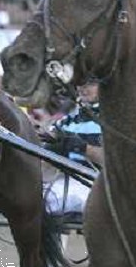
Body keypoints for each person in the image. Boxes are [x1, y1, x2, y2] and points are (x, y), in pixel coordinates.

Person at [43, 81, 102, 218]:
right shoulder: (64, 122)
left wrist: (82, 148)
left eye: (90, 84)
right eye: (80, 84)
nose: (83, 89)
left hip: (98, 185)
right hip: (65, 181)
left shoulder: (113, 121)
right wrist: (49, 151)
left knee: (46, 201)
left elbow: (113, 162)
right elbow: (45, 169)